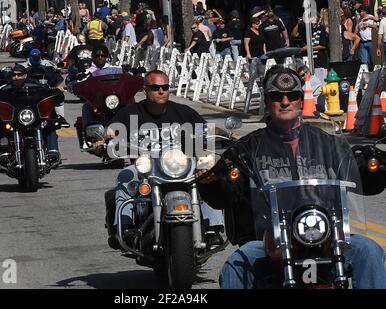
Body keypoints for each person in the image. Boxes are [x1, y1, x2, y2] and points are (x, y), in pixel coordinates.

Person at [198, 65, 386, 289]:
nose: (285, 101)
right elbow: (225, 194)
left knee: (369, 251)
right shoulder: (247, 149)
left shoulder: (329, 143)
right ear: (267, 101)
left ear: (301, 99)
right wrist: (212, 180)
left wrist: (375, 166)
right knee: (236, 265)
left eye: (293, 95)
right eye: (277, 96)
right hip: (271, 242)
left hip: (327, 238)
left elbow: (362, 178)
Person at [98, 70, 225, 249]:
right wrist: (104, 139)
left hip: (181, 166)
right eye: (155, 87)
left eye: (164, 87)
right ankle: (126, 228)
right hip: (147, 168)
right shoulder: (132, 112)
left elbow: (206, 129)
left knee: (208, 172)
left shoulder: (182, 111)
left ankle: (214, 228)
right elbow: (111, 130)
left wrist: (230, 135)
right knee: (126, 176)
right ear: (145, 90)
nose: (161, 91)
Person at [0, 64, 61, 167]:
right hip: (14, 118)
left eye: (19, 75)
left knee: (49, 125)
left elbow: (46, 94)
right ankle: (2, 154)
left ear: (25, 75)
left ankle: (53, 152)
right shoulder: (5, 89)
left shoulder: (36, 86)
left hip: (31, 116)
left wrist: (57, 90)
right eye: (14, 75)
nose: (16, 77)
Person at [80, 45, 122, 144]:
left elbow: (123, 78)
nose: (100, 57)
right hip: (97, 100)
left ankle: (135, 129)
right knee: (86, 106)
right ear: (93, 57)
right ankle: (88, 137)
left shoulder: (114, 69)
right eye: (97, 55)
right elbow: (80, 82)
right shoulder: (88, 71)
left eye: (103, 55)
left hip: (113, 99)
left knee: (130, 103)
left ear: (106, 57)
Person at [25, 49, 69, 128]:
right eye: (33, 57)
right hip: (29, 92)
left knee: (59, 95)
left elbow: (56, 72)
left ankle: (60, 118)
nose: (36, 58)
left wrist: (58, 86)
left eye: (37, 57)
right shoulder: (23, 66)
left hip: (45, 90)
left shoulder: (47, 64)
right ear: (30, 57)